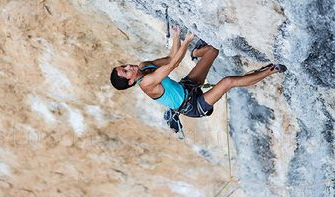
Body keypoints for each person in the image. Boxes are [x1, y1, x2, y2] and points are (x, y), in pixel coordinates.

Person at [110, 26, 286, 133]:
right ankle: (272, 70)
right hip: (192, 106)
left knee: (212, 51)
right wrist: (186, 41)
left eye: (124, 66)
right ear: (131, 82)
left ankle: (196, 53)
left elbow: (171, 59)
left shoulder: (144, 66)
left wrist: (177, 36)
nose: (129, 67)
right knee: (227, 82)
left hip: (187, 88)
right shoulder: (146, 84)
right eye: (126, 72)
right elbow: (172, 66)